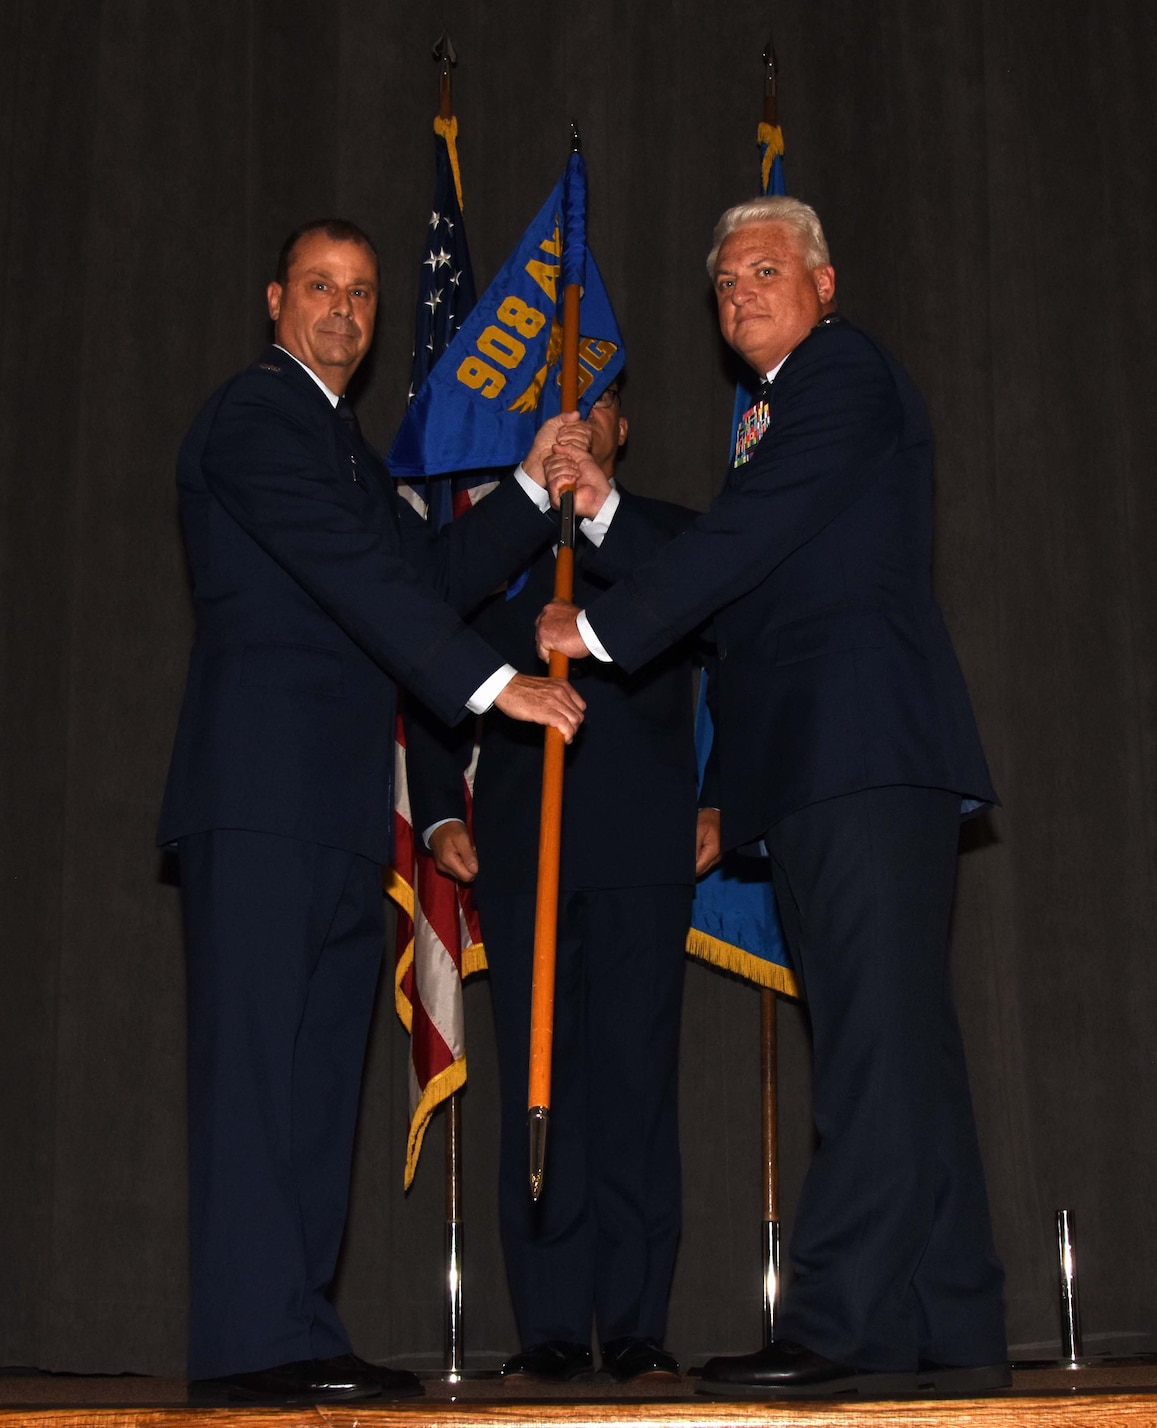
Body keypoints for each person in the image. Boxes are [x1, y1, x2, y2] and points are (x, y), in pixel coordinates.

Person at [535, 196, 1009, 1399]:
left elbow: (740, 542)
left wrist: (594, 624)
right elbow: (743, 568)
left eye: (763, 269)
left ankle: (842, 1325)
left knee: (866, 1051)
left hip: (857, 756)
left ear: (824, 282)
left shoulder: (837, 376)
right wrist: (597, 511)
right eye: (724, 282)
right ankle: (946, 1322)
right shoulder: (779, 418)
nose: (739, 292)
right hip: (823, 766)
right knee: (900, 1050)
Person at [157, 218, 610, 1406]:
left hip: (332, 807)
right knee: (258, 1076)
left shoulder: (346, 451)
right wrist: (489, 683)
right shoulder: (256, 416)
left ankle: (292, 1328)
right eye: (321, 287)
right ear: (274, 301)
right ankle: (247, 1344)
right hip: (254, 798)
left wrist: (524, 485)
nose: (345, 310)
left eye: (362, 292)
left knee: (313, 1083)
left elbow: (415, 581)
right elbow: (355, 582)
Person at [403, 374, 711, 1386]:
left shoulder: (668, 535)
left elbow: (725, 634)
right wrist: (442, 802)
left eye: (602, 404)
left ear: (625, 425)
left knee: (632, 1083)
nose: (584, 423)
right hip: (523, 843)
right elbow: (432, 651)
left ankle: (630, 1324)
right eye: (564, 407)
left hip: (641, 845)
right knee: (540, 1080)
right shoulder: (502, 543)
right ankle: (542, 1327)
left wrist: (725, 799)